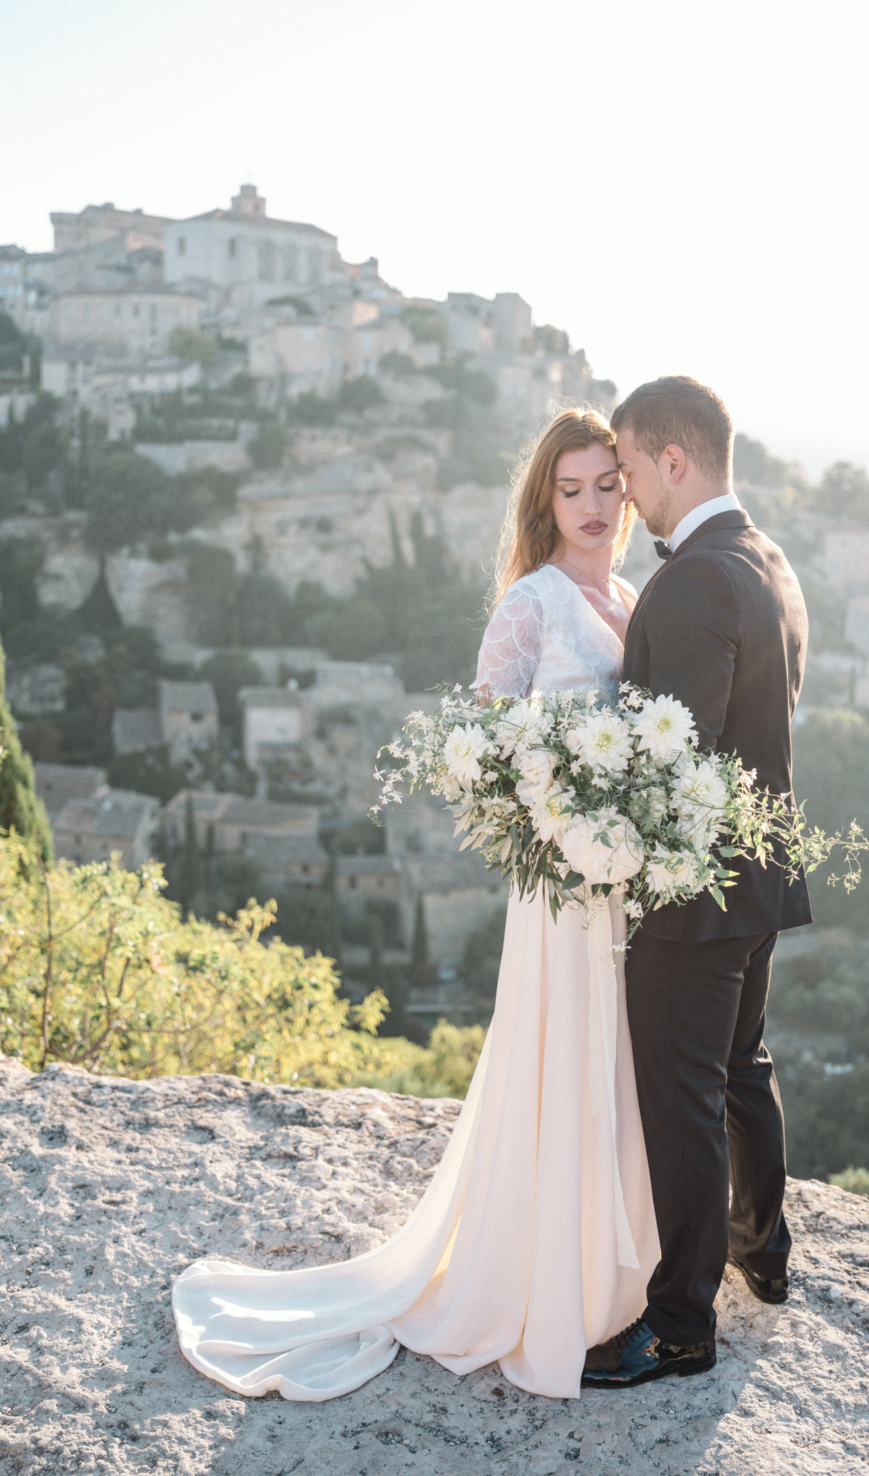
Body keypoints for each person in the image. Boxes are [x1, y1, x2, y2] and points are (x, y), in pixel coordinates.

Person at [172, 408, 662, 1402]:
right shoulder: (529, 604)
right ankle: (534, 1286)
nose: (592, 506)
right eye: (569, 490)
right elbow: (481, 754)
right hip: (559, 892)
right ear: (544, 502)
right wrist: (555, 818)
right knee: (557, 1063)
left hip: (619, 888)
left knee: (614, 1067)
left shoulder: (630, 596)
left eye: (606, 485)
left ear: (629, 488)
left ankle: (609, 1277)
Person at [581, 376, 812, 1391]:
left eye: (628, 469)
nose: (624, 495)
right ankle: (765, 1256)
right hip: (760, 880)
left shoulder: (689, 585)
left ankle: (677, 1327)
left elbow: (676, 768)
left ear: (674, 461)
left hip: (691, 895)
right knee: (740, 1070)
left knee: (681, 1101)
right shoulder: (769, 562)